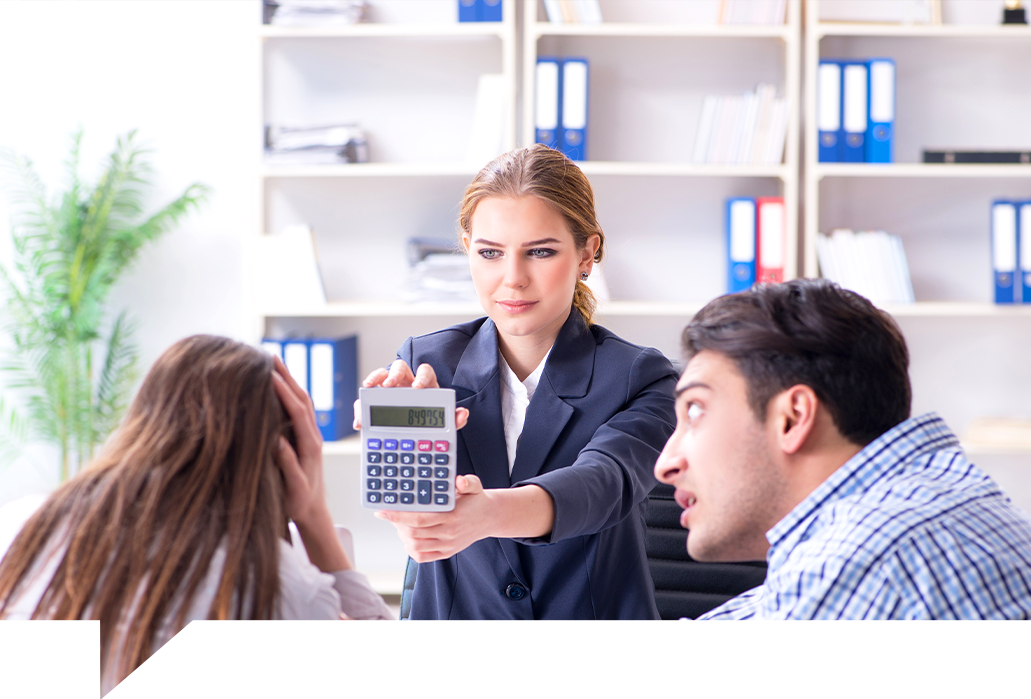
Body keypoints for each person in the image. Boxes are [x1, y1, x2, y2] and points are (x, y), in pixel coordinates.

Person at [345, 279, 1031, 698]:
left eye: (695, 410)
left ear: (792, 415)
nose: (666, 465)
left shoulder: (872, 561)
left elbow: (605, 479)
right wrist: (403, 676)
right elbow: (669, 675)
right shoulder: (903, 508)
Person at [356, 144, 679, 638]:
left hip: (598, 665)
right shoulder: (428, 365)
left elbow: (604, 484)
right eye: (490, 252)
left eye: (541, 251)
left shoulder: (641, 376)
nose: (512, 278)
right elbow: (414, 515)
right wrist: (393, 434)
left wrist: (488, 514)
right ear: (467, 249)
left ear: (587, 253)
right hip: (456, 657)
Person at [0, 335, 404, 699]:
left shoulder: (19, 527)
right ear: (286, 457)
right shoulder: (278, 590)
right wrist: (313, 514)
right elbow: (398, 675)